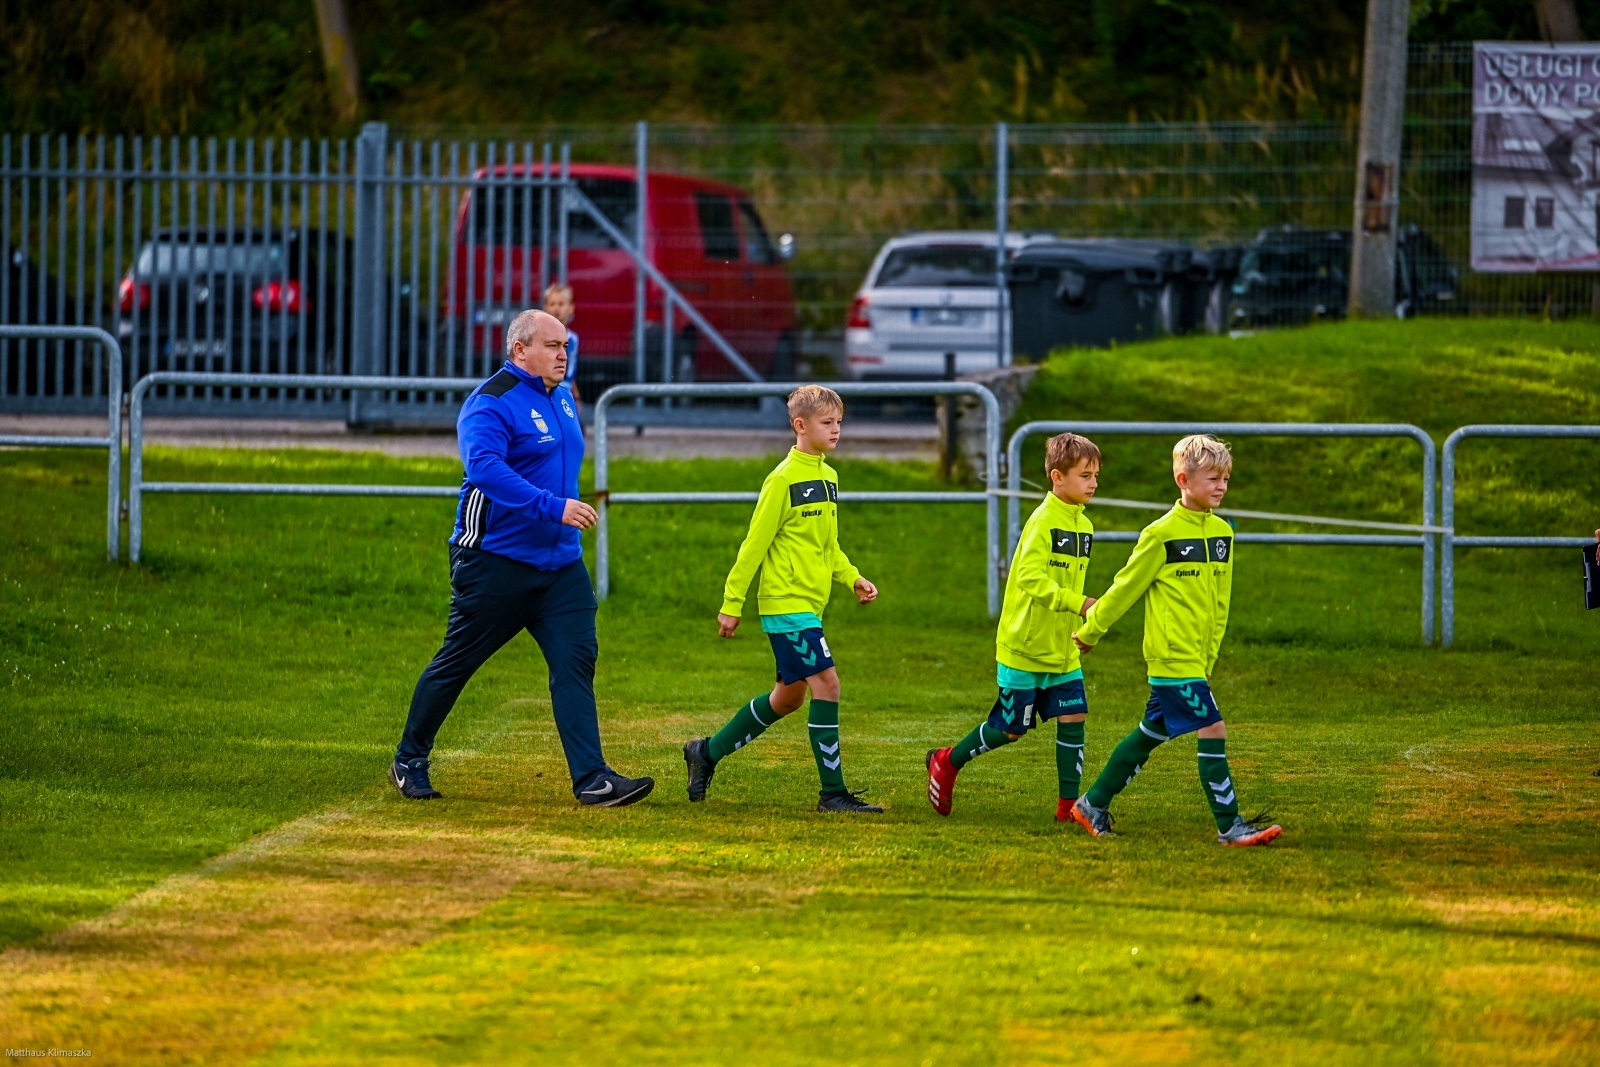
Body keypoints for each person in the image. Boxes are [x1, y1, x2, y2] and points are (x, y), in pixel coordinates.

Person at [390, 309, 654, 807]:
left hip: (560, 569)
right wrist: (552, 508)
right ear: (519, 350)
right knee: (458, 662)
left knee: (575, 662)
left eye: (566, 347)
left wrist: (558, 524)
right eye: (552, 346)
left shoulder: (563, 399)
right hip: (494, 561)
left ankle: (592, 779)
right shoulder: (489, 404)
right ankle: (409, 758)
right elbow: (484, 469)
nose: (563, 355)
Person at [1068, 434, 1282, 847]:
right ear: (1184, 479)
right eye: (1213, 478)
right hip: (1170, 659)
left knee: (1148, 735)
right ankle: (1230, 825)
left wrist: (1209, 659)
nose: (1221, 486)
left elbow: (1221, 603)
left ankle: (1091, 804)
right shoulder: (1160, 534)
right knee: (1213, 728)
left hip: (1194, 662)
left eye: (1226, 479)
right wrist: (1091, 631)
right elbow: (1123, 589)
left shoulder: (1223, 534)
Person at [682, 385, 884, 813]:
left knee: (788, 698)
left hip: (810, 606)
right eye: (827, 423)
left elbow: (829, 546)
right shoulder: (782, 480)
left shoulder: (828, 477)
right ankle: (833, 794)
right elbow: (753, 545)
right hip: (785, 604)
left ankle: (705, 753)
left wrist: (852, 578)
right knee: (827, 685)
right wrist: (731, 603)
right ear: (800, 426)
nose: (836, 430)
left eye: (839, 423)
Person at [926, 433, 1101, 821]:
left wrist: (1081, 629)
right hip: (1024, 647)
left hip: (1062, 649)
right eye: (1085, 475)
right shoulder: (1042, 522)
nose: (1093, 482)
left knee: (1074, 716)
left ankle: (1067, 808)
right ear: (1057, 476)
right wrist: (1081, 604)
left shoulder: (1084, 526)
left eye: (1095, 475)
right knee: (1009, 730)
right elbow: (1030, 580)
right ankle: (946, 761)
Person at [543, 283, 580, 400]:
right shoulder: (542, 337)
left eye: (561, 304)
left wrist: (576, 395)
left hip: (567, 392)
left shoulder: (573, 338)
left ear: (571, 308)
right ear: (546, 308)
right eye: (552, 304)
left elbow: (570, 368)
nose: (556, 308)